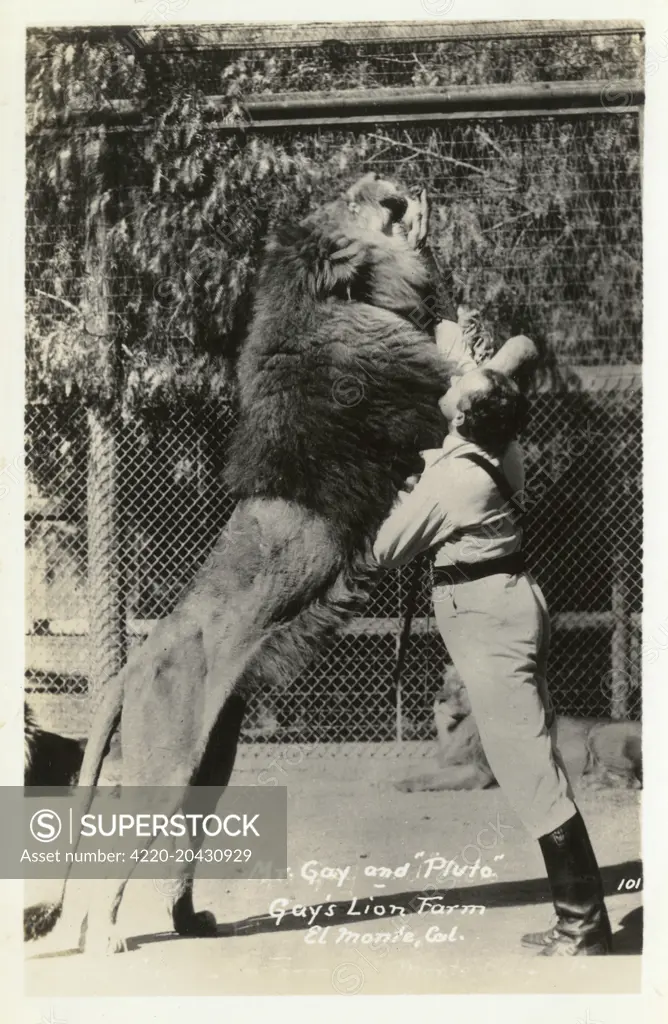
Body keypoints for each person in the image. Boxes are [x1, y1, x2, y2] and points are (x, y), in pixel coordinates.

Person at [372, 359, 613, 956]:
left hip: (488, 618)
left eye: (460, 386)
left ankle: (582, 928)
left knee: (528, 769)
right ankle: (577, 920)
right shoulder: (497, 451)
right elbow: (453, 465)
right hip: (506, 604)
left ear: (461, 415)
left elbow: (385, 551)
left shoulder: (455, 480)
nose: (452, 382)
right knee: (531, 762)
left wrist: (406, 498)